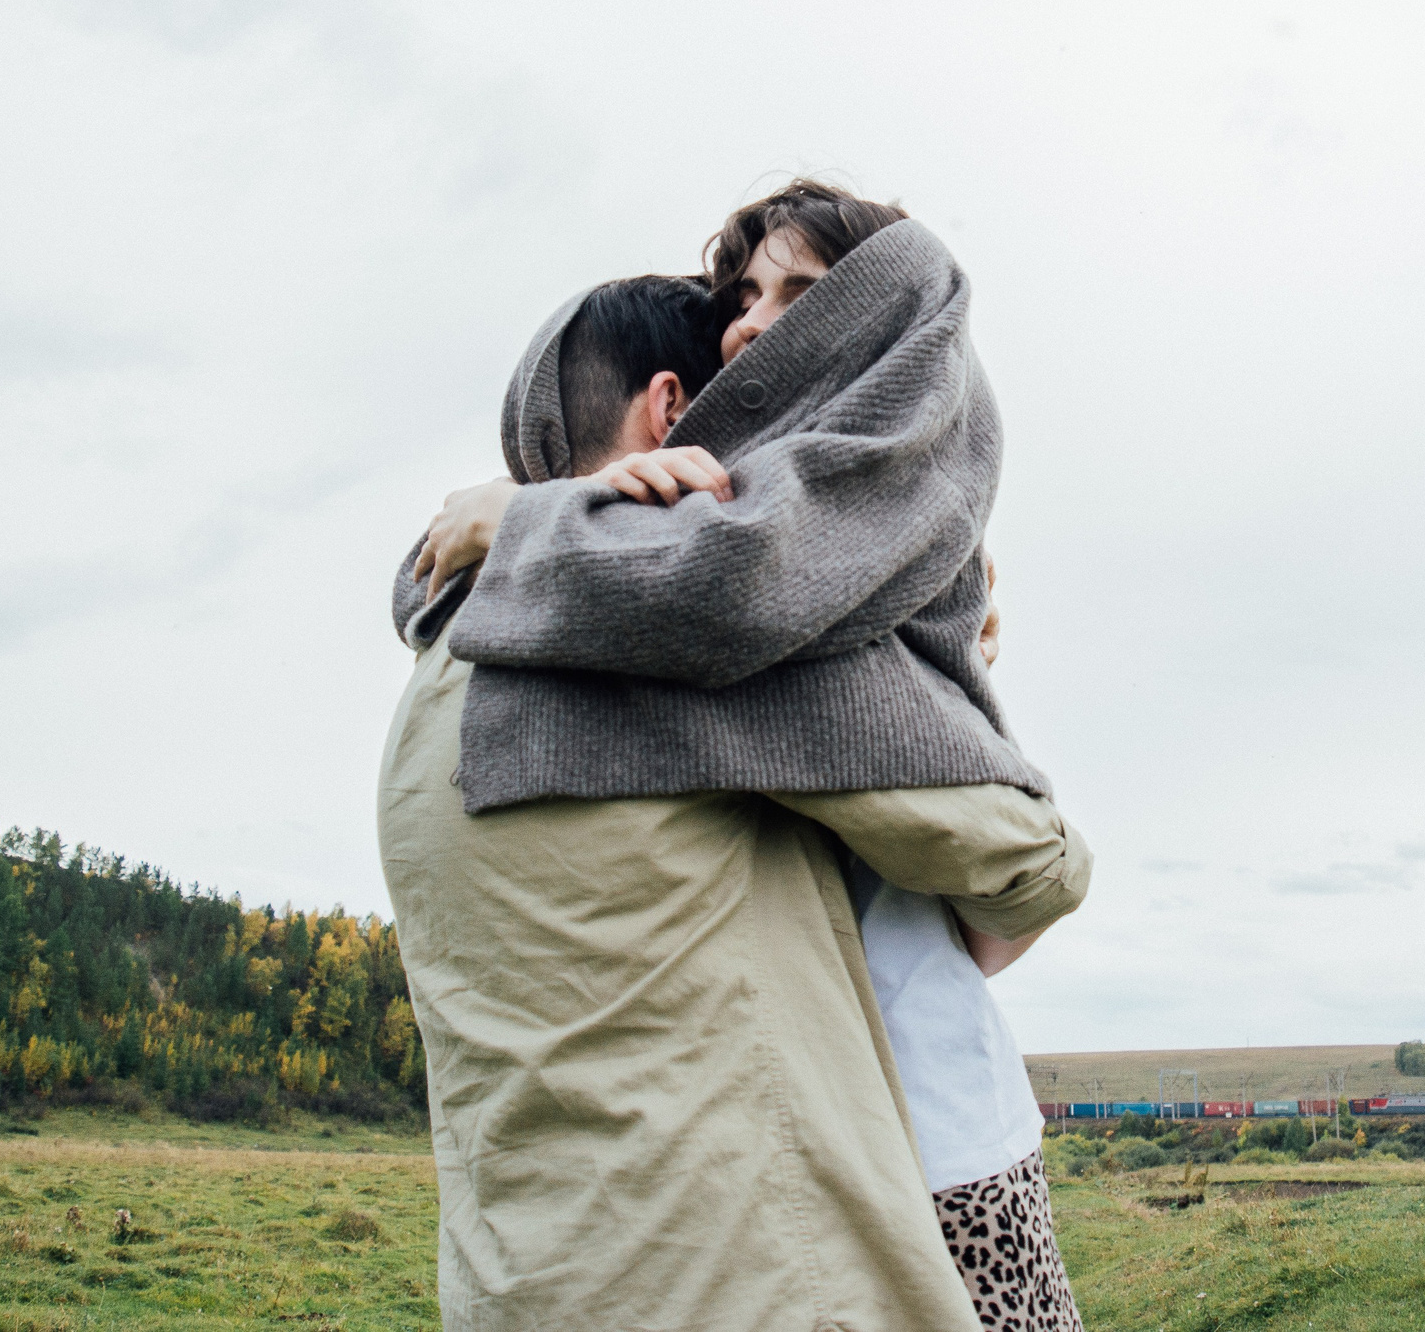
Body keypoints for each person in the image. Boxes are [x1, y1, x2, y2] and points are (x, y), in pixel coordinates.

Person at [417, 182, 1088, 1329]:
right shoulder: (688, 586)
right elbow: (1019, 880)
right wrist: (547, 515)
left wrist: (524, 514)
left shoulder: (790, 555)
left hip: (922, 1110)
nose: (746, 321)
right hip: (888, 1122)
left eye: (798, 292)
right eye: (742, 295)